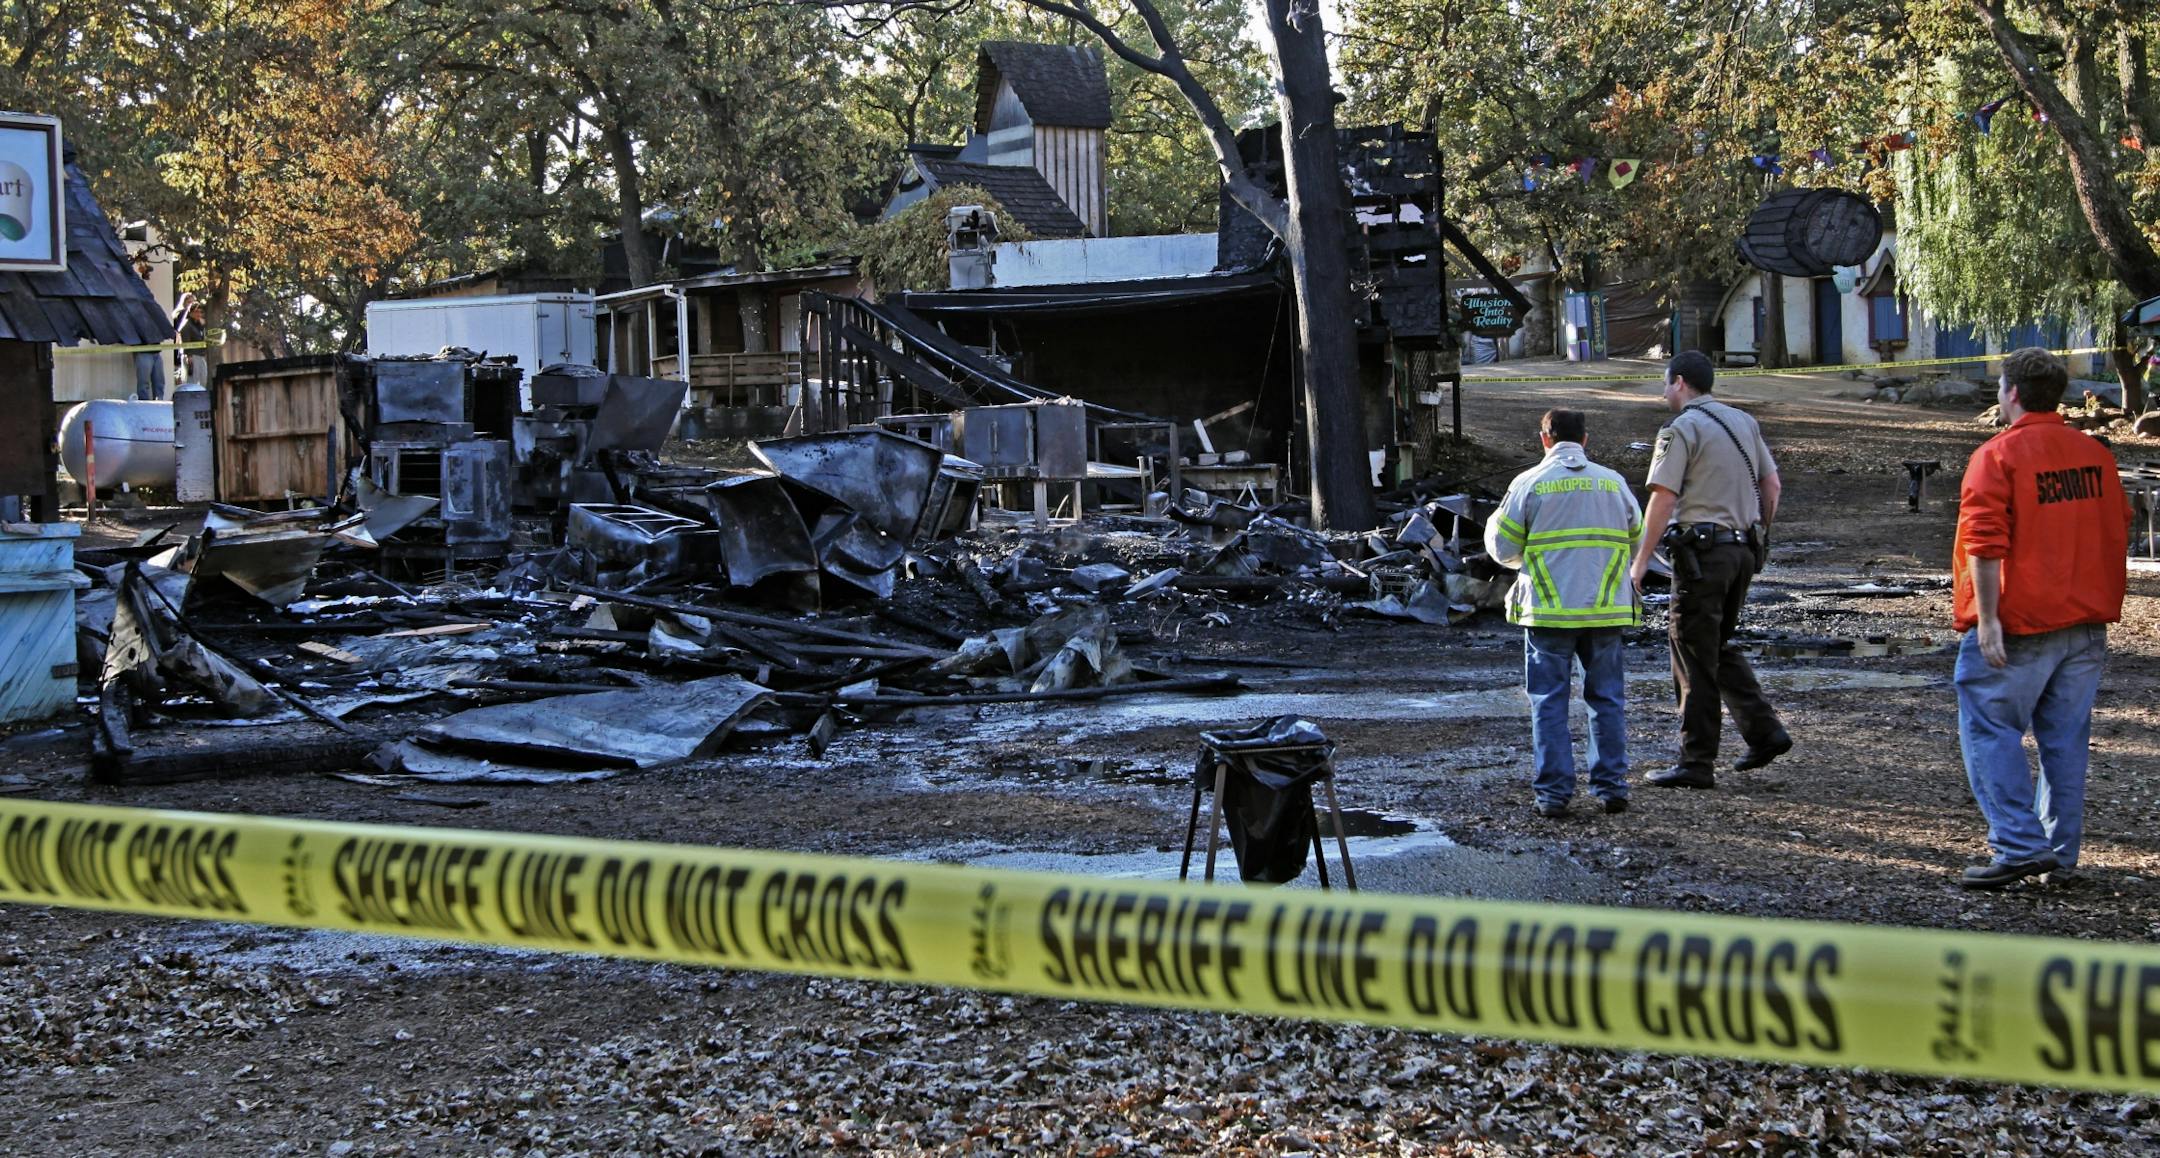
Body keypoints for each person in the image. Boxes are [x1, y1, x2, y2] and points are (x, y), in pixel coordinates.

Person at [1950, 347, 2130, 889]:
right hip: (2083, 622)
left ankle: (2019, 845)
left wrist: (1986, 619)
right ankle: (2057, 851)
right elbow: (2116, 522)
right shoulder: (2094, 455)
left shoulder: (1998, 455)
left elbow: (1984, 544)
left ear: (2010, 393)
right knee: (2065, 740)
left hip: (2021, 621)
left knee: (1990, 726)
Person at [1627, 351, 1789, 789]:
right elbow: (1771, 485)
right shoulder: (1743, 422)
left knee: (1690, 649)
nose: (1663, 393)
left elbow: (1663, 496)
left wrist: (1640, 562)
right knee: (1714, 643)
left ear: (1679, 382)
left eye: (1665, 384)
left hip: (1703, 555)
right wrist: (1759, 533)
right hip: (1741, 552)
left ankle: (1695, 761)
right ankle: (1765, 732)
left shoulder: (1681, 429)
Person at [1485, 408, 1644, 817]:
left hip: (1548, 612)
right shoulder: (1613, 483)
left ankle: (1554, 795)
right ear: (1585, 440)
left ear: (1544, 439)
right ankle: (1611, 789)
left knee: (1549, 702)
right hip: (1606, 610)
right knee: (1606, 699)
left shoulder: (1530, 483)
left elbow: (1502, 549)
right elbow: (1636, 534)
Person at [132, 260, 169, 401]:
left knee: (160, 382)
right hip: (143, 352)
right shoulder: (135, 315)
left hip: (156, 351)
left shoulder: (154, 313)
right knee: (144, 384)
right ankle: (144, 405)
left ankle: (159, 404)